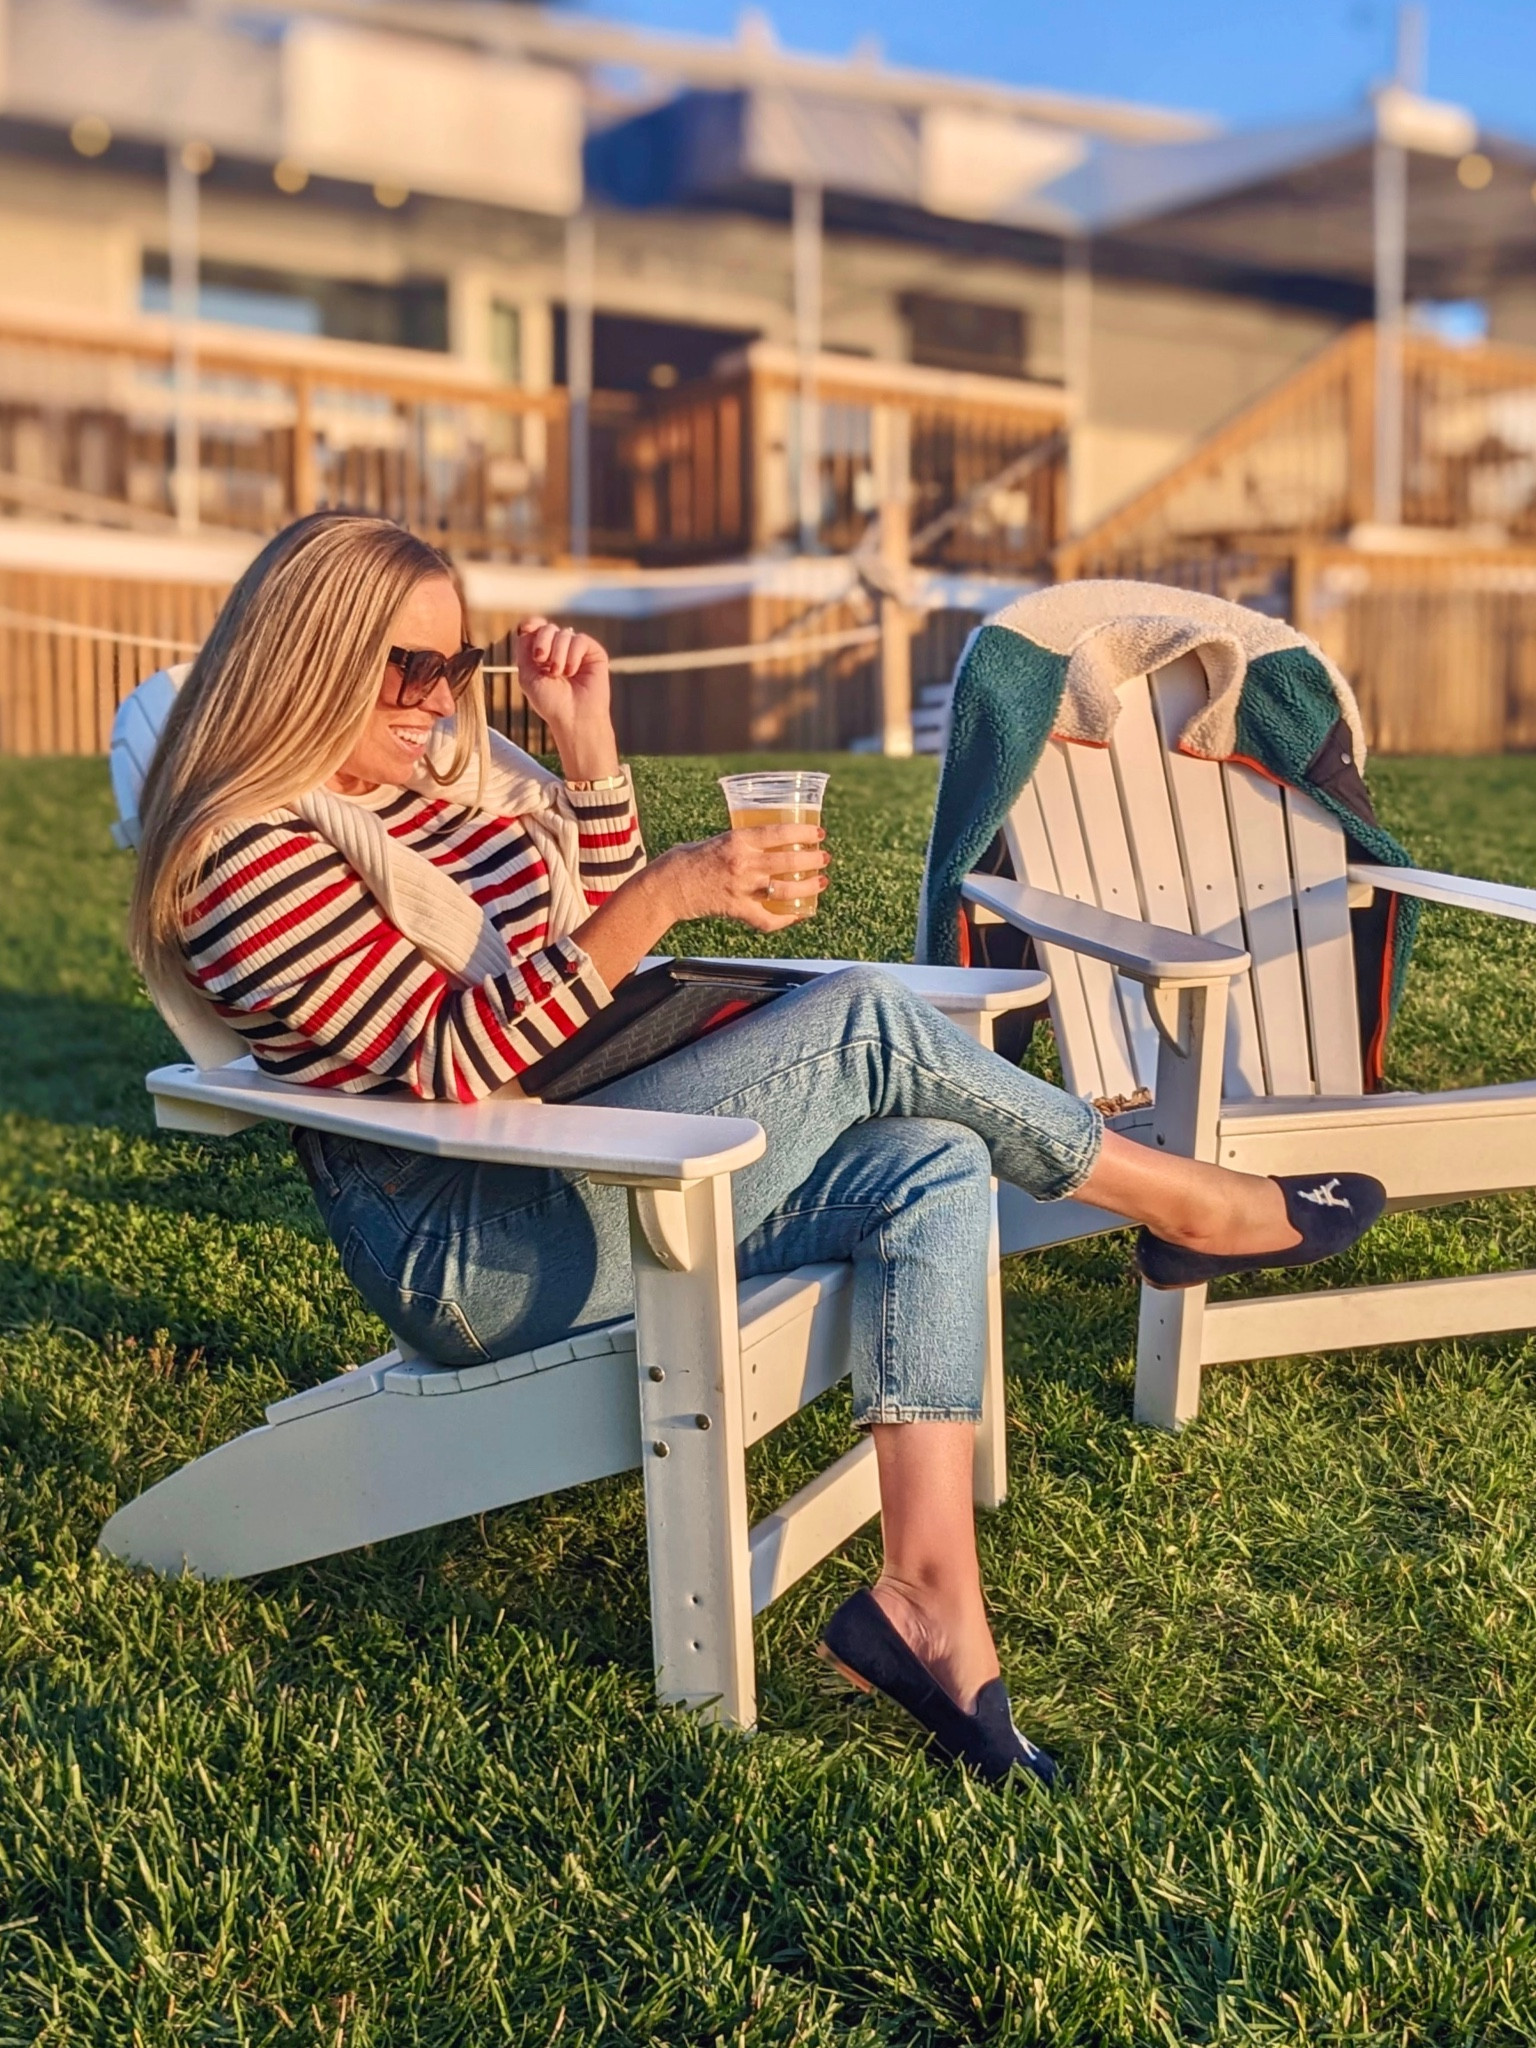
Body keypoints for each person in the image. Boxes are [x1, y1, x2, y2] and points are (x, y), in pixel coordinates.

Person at [129, 512, 1384, 1786]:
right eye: (405, 669)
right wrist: (670, 890)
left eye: (456, 668)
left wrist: (587, 751)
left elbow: (597, 965)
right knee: (865, 1019)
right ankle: (1187, 1205)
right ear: (305, 656)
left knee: (927, 1156)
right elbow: (461, 1061)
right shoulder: (241, 855)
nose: (436, 700)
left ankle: (927, 1603)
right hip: (477, 1242)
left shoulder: (439, 782)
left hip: (576, 1152)